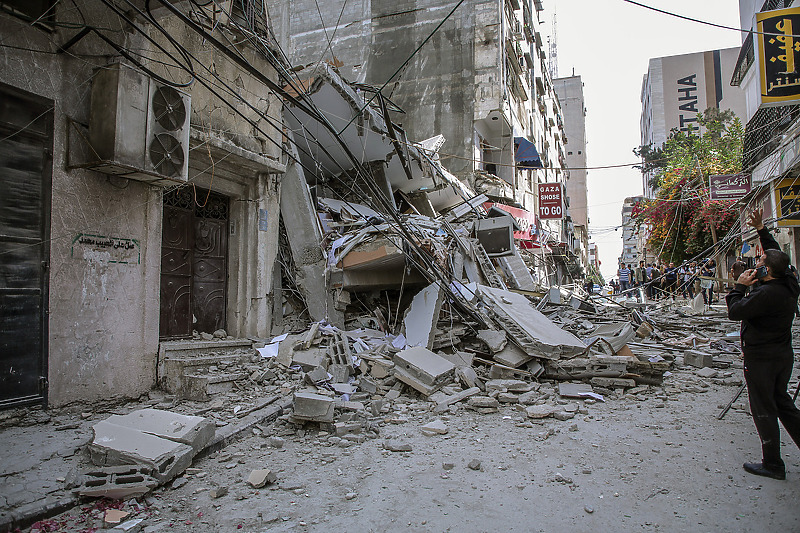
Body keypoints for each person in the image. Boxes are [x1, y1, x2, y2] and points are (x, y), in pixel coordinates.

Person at [726, 207, 800, 480]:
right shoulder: (789, 282)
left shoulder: (765, 294)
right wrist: (761, 230)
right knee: (782, 403)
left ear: (766, 271)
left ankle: (773, 464)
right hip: (782, 355)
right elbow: (779, 257)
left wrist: (739, 286)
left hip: (761, 359)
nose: (756, 264)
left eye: (760, 263)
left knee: (764, 409)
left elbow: (735, 312)